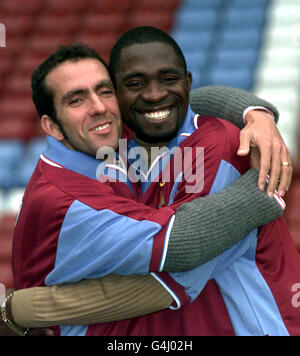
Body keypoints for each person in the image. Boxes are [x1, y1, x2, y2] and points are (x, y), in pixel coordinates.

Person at [0, 32, 292, 336]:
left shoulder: (108, 141)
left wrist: (256, 114)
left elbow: (181, 101)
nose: (98, 107)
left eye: (104, 91)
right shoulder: (66, 200)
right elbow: (182, 258)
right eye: (76, 99)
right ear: (52, 126)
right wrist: (265, 189)